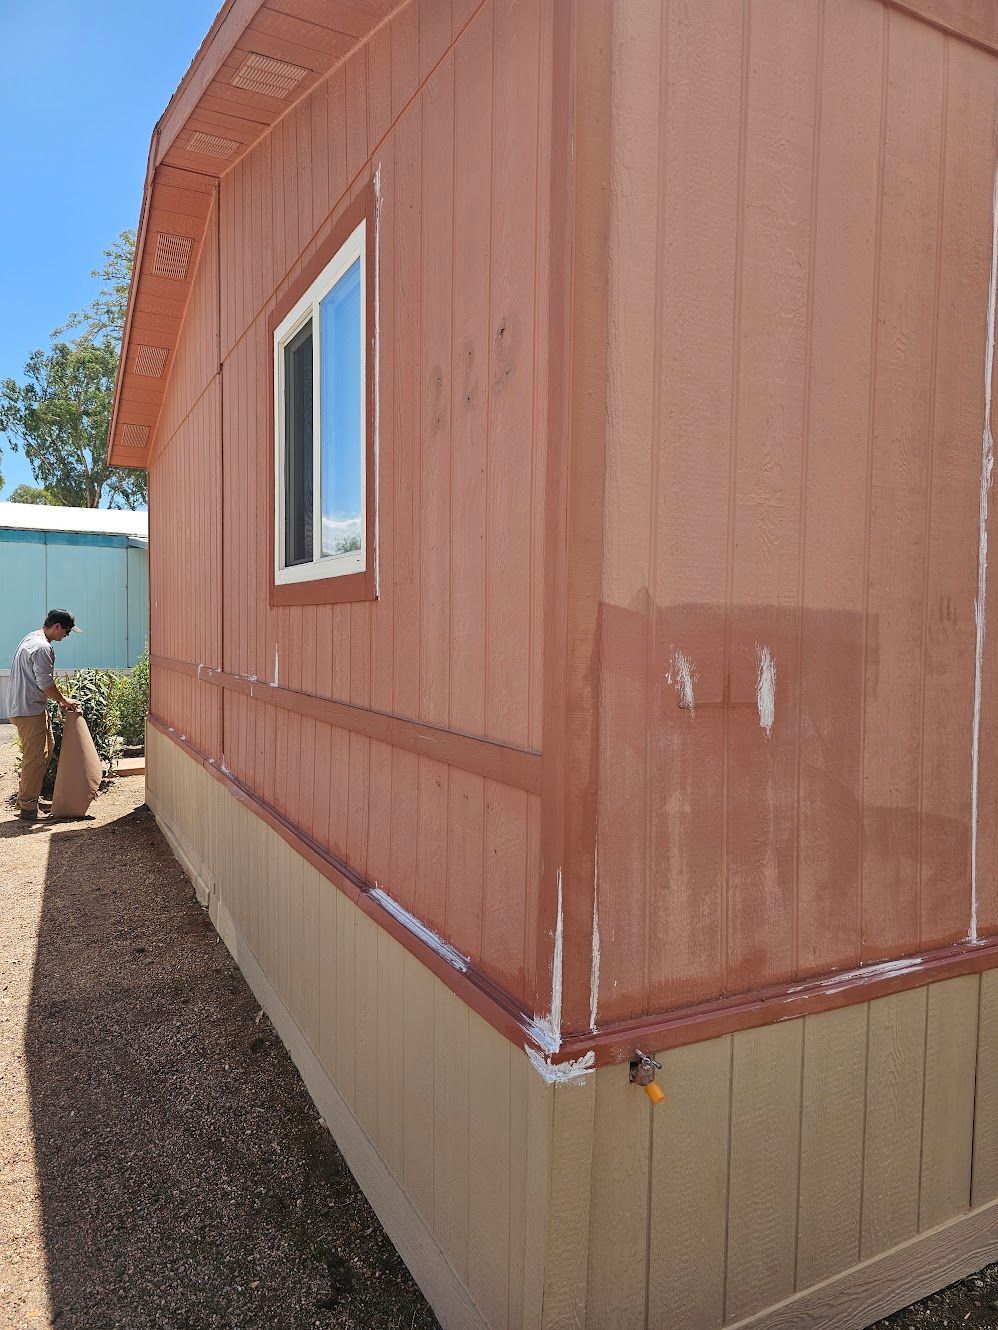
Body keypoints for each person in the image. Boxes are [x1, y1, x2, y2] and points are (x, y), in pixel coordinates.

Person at [9, 610, 81, 821]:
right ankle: (28, 808)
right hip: (28, 710)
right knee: (35, 757)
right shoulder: (41, 647)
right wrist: (64, 700)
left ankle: (29, 798)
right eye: (66, 632)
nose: (65, 637)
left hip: (29, 706)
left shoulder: (32, 638)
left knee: (45, 751)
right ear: (57, 626)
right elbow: (45, 684)